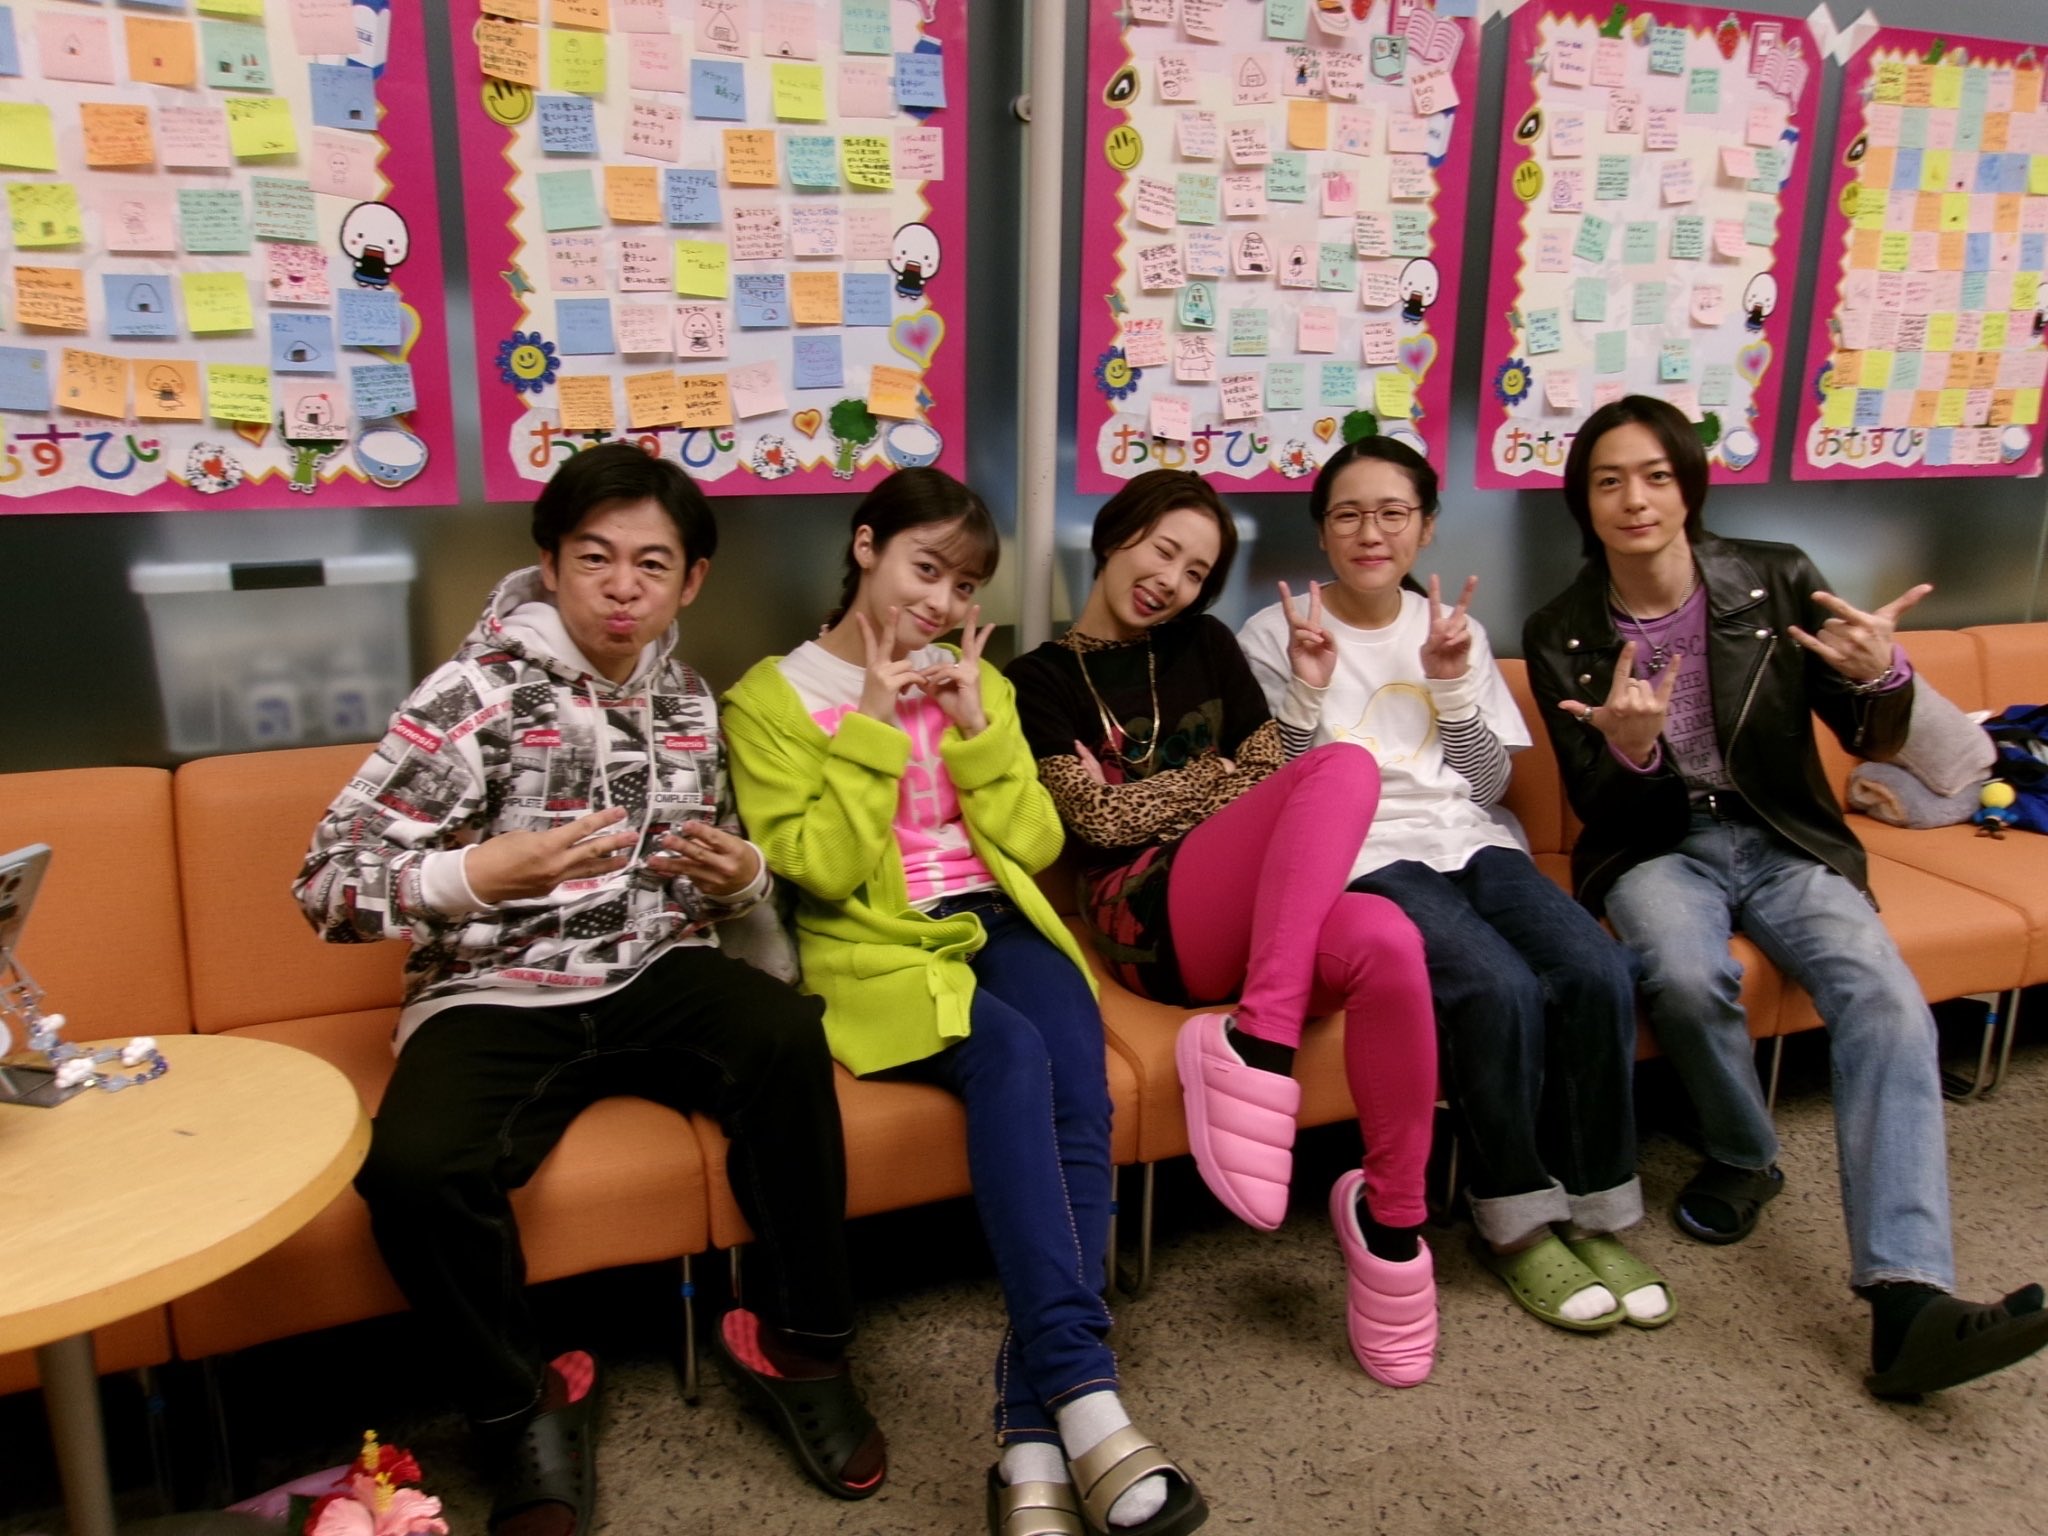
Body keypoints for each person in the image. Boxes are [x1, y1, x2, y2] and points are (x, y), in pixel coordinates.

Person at [295, 444, 885, 1536]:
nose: (622, 587)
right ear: (551, 563)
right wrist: (478, 874)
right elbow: (326, 884)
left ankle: (802, 1346)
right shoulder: (472, 694)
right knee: (415, 1171)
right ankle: (520, 1405)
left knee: (781, 1037)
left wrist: (742, 876)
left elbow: (714, 869)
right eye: (594, 557)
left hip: (656, 967)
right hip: (492, 987)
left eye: (651, 565)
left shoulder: (688, 701)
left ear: (690, 581)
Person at [1524, 393, 2048, 1397]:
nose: (1634, 500)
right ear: (1582, 503)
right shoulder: (1559, 629)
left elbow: (1869, 738)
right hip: (1654, 847)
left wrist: (1882, 678)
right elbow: (1599, 803)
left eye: (1655, 476)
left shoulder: (1775, 577)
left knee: (1882, 996)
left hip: (1783, 836)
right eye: (1607, 481)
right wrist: (1632, 754)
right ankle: (1741, 1153)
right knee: (1683, 975)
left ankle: (1907, 1296)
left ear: (1688, 486)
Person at [722, 468, 1207, 1536]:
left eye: (964, 585)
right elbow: (820, 871)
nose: (941, 603)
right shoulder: (767, 699)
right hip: (880, 949)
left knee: (1079, 1082)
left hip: (1000, 920)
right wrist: (872, 720)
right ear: (865, 548)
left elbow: (1033, 843)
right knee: (1010, 1055)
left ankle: (1034, 1431)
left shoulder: (972, 679)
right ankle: (1085, 1399)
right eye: (925, 569)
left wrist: (978, 727)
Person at [1006, 468, 1441, 1389]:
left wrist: (1174, 789)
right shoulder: (1034, 679)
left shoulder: (1205, 645)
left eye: (1196, 571)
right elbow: (1098, 823)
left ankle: (1393, 1226)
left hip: (1249, 904)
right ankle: (1260, 1041)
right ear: (1115, 535)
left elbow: (1268, 771)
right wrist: (1220, 779)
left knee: (1390, 942)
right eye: (1163, 551)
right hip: (1141, 913)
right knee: (1346, 766)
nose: (1171, 581)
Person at [1237, 438, 1664, 1335]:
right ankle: (1516, 1220)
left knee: (1595, 968)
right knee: (1494, 983)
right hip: (1361, 855)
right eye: (1349, 514)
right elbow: (1274, 793)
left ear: (1425, 527)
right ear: (1322, 532)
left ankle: (1599, 1212)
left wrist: (1453, 686)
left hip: (1469, 839)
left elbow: (1489, 784)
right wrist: (1308, 694)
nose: (1371, 532)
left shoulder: (1448, 628)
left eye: (1393, 513)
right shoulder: (1274, 632)